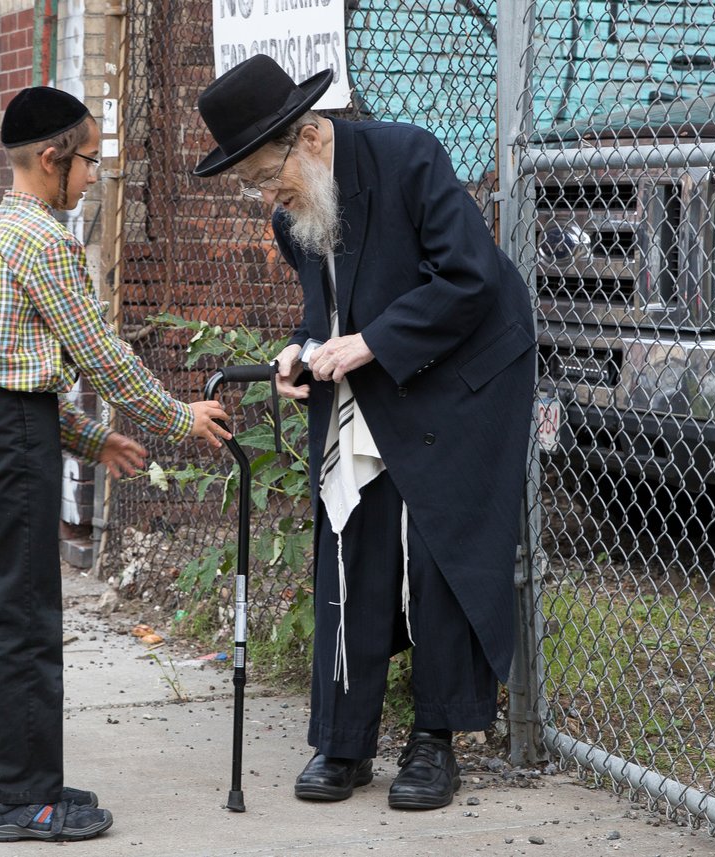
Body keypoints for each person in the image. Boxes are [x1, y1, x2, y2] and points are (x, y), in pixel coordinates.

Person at [193, 55, 536, 811]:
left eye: (262, 176)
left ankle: (435, 739)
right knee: (351, 545)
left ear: (310, 136)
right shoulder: (295, 211)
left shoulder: (409, 155)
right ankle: (343, 738)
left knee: (437, 551)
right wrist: (299, 346)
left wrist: (369, 342)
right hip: (377, 372)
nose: (264, 198)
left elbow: (469, 277)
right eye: (250, 184)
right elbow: (328, 311)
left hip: (467, 371)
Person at [0, 85, 231, 843]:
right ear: (51, 158)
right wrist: (179, 417)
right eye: (90, 160)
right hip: (9, 436)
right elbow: (99, 355)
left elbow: (3, 372)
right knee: (28, 616)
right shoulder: (43, 239)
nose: (96, 176)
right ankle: (23, 799)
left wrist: (93, 440)